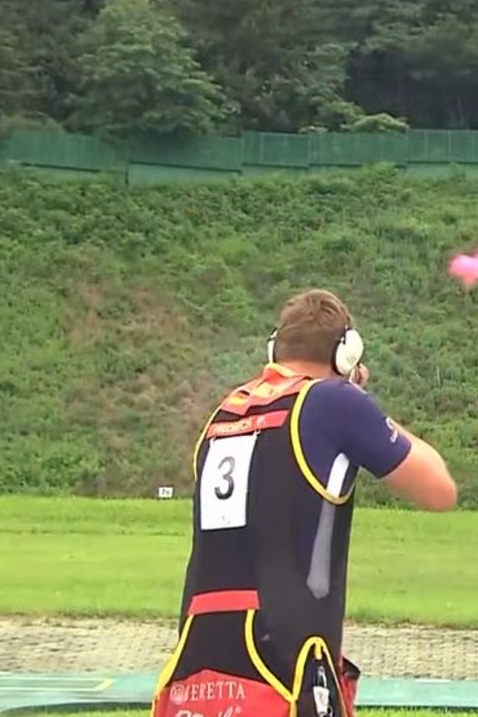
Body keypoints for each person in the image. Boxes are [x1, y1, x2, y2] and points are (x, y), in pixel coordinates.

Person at [152, 289, 457, 717]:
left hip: (201, 663)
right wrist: (360, 403)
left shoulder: (224, 414)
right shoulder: (333, 402)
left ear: (276, 347)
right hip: (287, 662)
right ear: (346, 355)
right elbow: (439, 490)